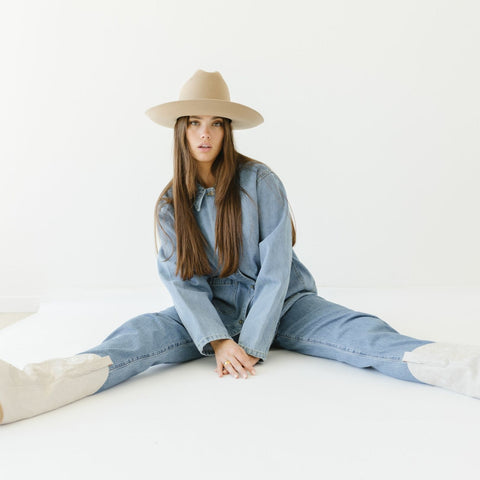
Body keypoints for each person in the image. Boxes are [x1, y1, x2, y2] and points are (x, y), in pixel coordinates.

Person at [1, 69, 480, 425]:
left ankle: (469, 370)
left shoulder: (260, 182)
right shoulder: (171, 203)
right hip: (209, 311)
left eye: (215, 123)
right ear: (181, 131)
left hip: (285, 306)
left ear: (227, 130)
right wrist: (217, 339)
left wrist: (248, 343)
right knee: (133, 342)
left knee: (365, 338)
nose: (204, 133)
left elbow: (276, 270)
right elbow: (182, 284)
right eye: (193, 123)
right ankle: (20, 391)